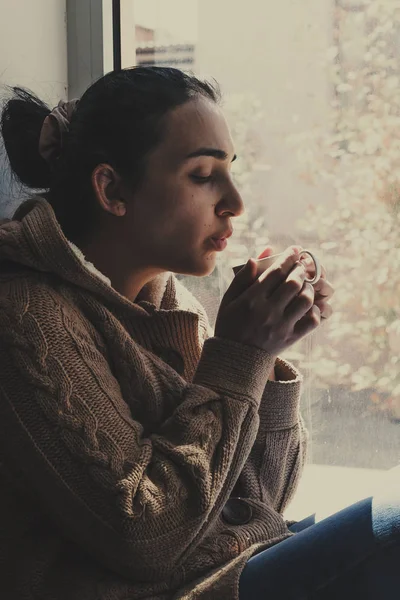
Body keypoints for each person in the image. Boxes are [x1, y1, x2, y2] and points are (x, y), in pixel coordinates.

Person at [0, 66, 397, 600]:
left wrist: (268, 359)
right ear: (112, 188)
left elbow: (257, 505)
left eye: (230, 171)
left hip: (226, 569)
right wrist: (241, 353)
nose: (235, 201)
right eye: (203, 175)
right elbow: (145, 537)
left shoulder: (169, 302)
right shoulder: (26, 315)